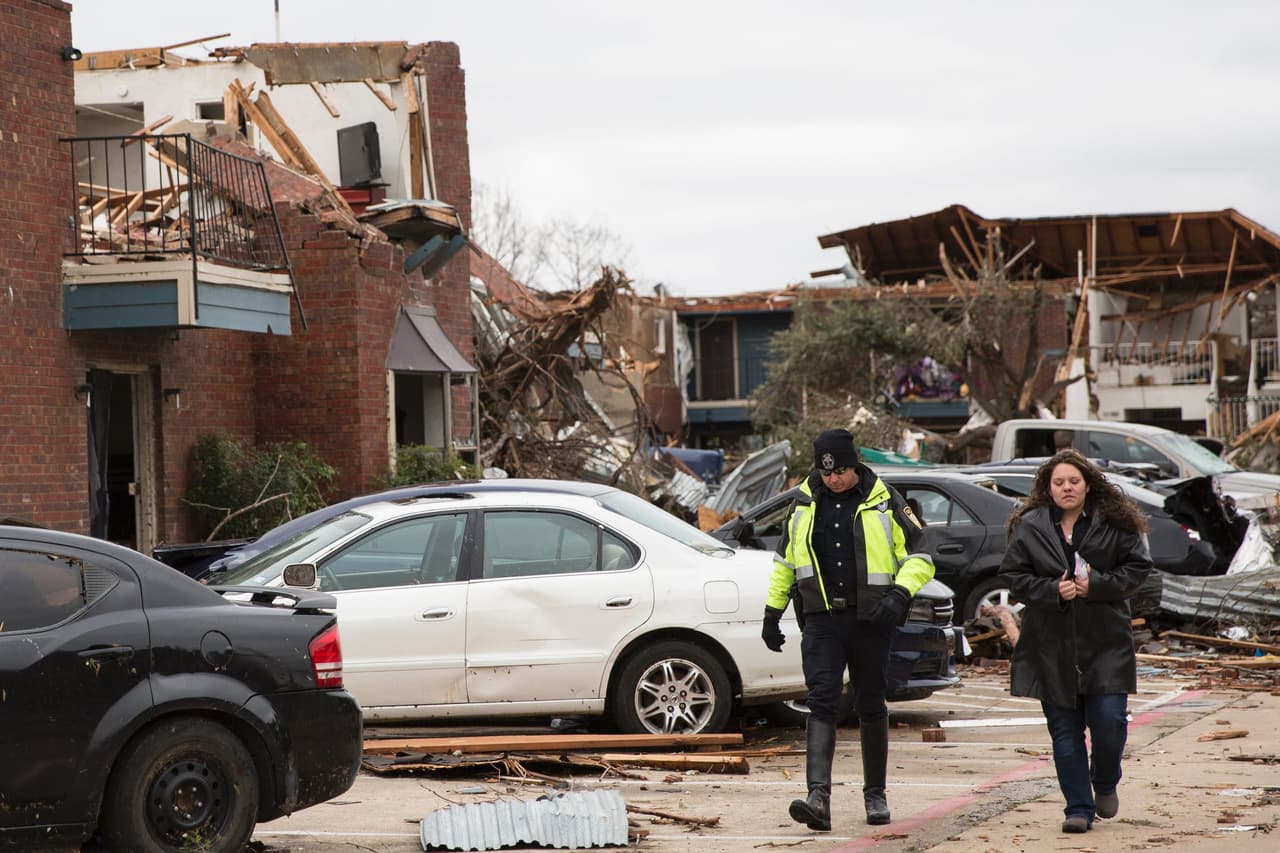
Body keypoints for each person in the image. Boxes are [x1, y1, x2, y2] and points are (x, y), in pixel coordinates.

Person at [761, 428, 935, 831]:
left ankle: (876, 795)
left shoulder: (884, 501)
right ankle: (817, 797)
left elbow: (921, 555)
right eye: (827, 472)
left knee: (870, 703)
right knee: (821, 700)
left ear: (854, 464)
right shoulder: (803, 502)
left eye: (840, 470)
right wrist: (773, 612)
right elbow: (786, 562)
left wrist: (899, 595)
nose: (834, 479)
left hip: (872, 619)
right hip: (822, 619)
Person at [997, 448, 1152, 834]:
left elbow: (1137, 568)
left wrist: (1095, 586)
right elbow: (1014, 575)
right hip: (1051, 645)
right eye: (1059, 482)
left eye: (1074, 481)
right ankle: (1078, 808)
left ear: (1087, 484)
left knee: (1109, 723)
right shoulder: (1031, 525)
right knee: (1064, 733)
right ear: (1048, 488)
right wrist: (1052, 590)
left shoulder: (1114, 521)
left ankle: (1105, 779)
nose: (1067, 488)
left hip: (1106, 641)